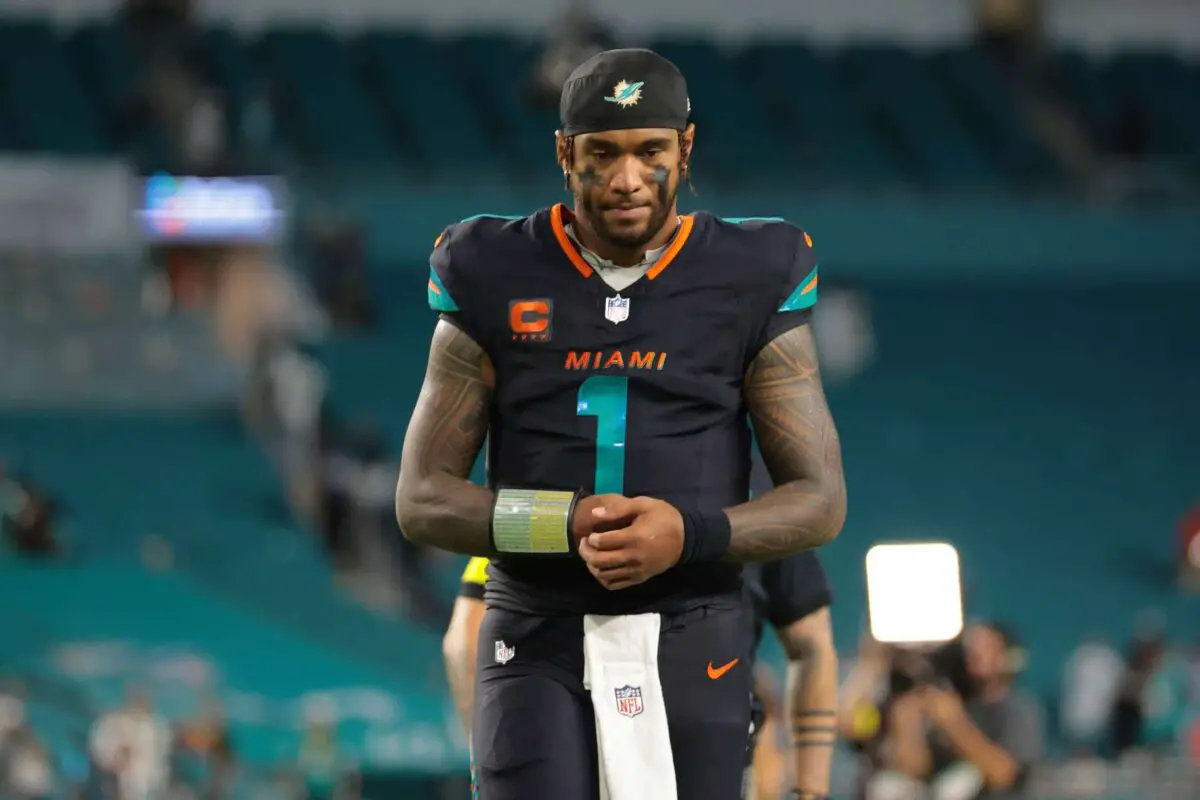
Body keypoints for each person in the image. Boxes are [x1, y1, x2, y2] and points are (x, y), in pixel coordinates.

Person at [396, 48, 846, 800]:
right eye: (602, 153)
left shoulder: (752, 270)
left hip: (692, 621)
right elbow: (421, 499)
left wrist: (687, 533)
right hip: (536, 622)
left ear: (687, 148)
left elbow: (821, 498)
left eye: (651, 152)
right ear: (565, 153)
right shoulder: (489, 265)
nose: (628, 179)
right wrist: (567, 523)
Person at [445, 549, 839, 800]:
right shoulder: (754, 495)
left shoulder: (558, 474)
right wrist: (811, 790)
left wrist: (496, 763)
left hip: (567, 738)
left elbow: (464, 640)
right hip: (710, 747)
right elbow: (812, 645)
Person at [872, 622, 1043, 800]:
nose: (975, 653)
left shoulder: (1021, 708)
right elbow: (914, 769)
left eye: (986, 647)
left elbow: (1006, 775)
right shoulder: (954, 701)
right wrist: (908, 722)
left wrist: (955, 724)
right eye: (971, 647)